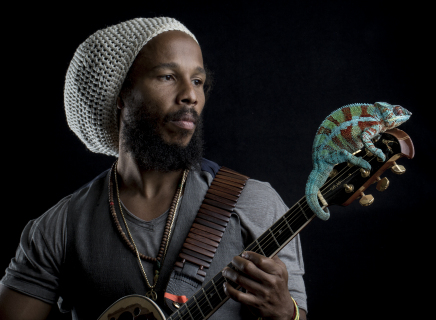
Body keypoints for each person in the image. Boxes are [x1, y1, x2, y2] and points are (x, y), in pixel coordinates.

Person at [0, 17, 307, 320]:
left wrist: (285, 314)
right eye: (167, 77)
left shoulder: (255, 204)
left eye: (198, 81)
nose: (191, 94)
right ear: (120, 95)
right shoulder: (61, 227)